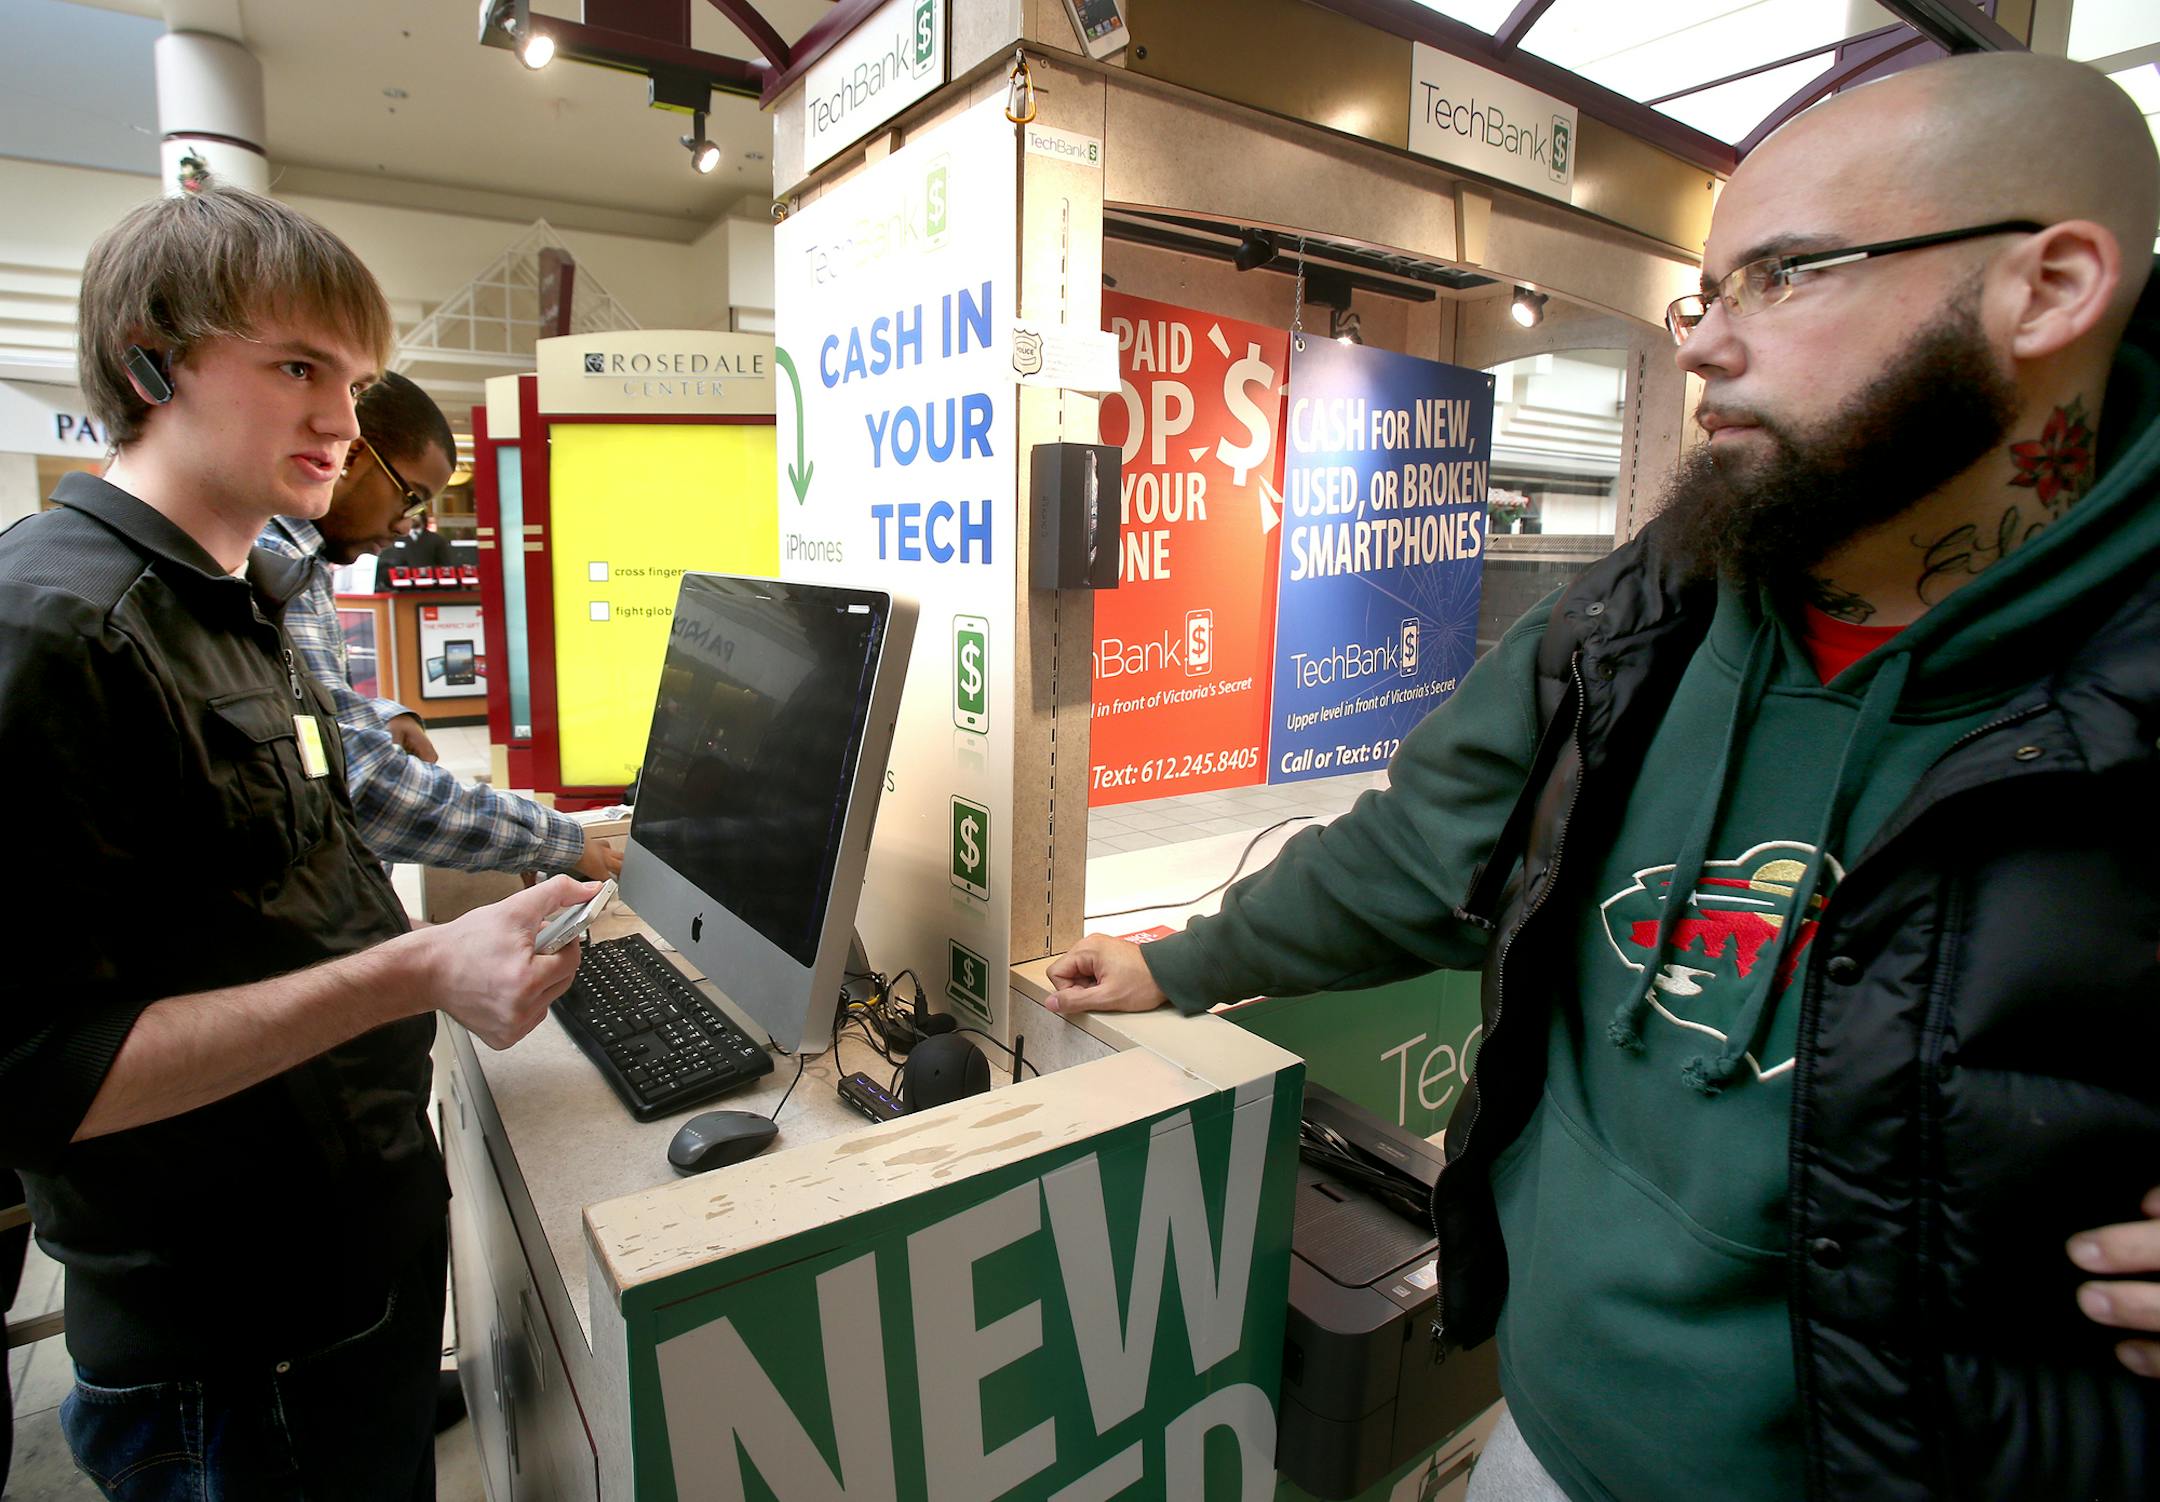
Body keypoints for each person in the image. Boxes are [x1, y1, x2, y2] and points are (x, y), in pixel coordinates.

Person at [1048, 51, 2160, 1501]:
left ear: (2053, 287)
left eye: (1786, 276)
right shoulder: (1653, 607)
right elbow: (1418, 849)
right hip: (1545, 1439)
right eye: (1708, 295)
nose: (1700, 345)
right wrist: (1179, 963)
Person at [0, 185, 595, 1500]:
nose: (341, 417)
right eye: (297, 368)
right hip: (234, 1350)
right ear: (155, 358)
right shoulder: (54, 630)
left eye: (357, 376)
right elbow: (38, 1074)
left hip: (344, 1278)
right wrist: (421, 970)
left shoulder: (239, 604)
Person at [256, 370, 618, 880]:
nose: (407, 524)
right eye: (410, 496)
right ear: (351, 455)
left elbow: (309, 710)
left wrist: (380, 716)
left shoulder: (297, 566)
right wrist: (556, 842)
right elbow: (362, 787)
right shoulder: (266, 572)